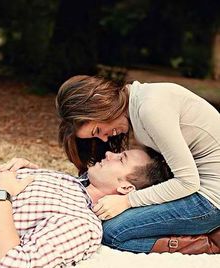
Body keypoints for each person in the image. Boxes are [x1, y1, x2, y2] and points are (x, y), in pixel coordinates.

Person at [55, 75, 220, 253]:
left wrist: (127, 201)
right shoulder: (140, 104)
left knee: (112, 232)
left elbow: (188, 182)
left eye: (98, 130)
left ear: (100, 103)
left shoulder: (151, 109)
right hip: (196, 192)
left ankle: (208, 241)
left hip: (209, 202)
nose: (104, 138)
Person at [0, 148, 173, 268]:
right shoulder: (71, 182)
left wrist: (1, 192)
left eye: (121, 159)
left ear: (126, 188)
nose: (108, 154)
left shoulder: (82, 224)